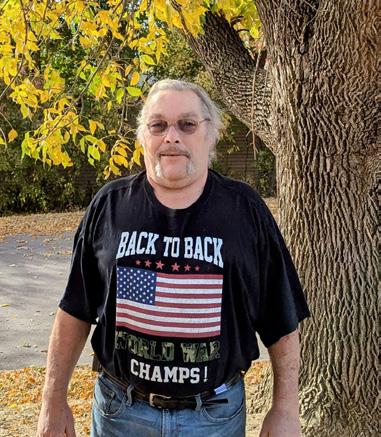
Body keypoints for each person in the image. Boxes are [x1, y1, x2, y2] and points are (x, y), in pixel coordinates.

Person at [37, 79, 310, 437]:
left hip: (215, 417)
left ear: (210, 134)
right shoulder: (110, 206)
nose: (171, 137)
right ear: (143, 137)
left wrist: (286, 410)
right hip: (121, 414)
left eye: (187, 124)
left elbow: (281, 321)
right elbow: (75, 310)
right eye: (158, 125)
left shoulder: (245, 210)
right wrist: (53, 400)